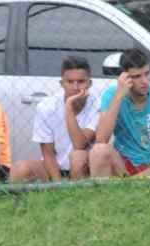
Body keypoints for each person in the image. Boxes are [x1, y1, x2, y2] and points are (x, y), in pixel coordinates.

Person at [90, 49, 150, 177]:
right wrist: (119, 96)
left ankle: (135, 188)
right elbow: (101, 138)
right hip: (125, 164)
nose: (145, 81)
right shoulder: (112, 95)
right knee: (98, 151)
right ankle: (105, 196)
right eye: (137, 76)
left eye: (147, 73)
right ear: (124, 77)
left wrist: (141, 177)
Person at [11, 54, 99, 182]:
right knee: (20, 169)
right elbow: (48, 153)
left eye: (81, 81)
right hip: (53, 167)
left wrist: (68, 106)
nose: (75, 87)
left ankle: (79, 193)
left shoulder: (97, 105)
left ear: (89, 83)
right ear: (62, 83)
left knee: (78, 157)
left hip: (84, 167)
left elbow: (79, 144)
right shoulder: (46, 107)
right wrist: (57, 184)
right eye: (70, 82)